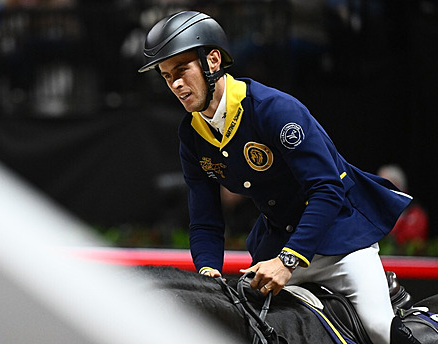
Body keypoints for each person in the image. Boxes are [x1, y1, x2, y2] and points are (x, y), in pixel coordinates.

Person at [137, 11, 418, 344]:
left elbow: (328, 191)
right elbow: (205, 219)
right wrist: (208, 272)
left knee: (380, 329)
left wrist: (288, 261)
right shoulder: (192, 134)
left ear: (212, 60)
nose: (176, 85)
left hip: (339, 244)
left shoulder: (274, 110)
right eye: (168, 77)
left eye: (182, 70)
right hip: (274, 250)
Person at [377, 164, 429, 254]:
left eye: (382, 184)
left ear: (395, 184)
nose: (378, 188)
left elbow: (411, 243)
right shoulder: (375, 208)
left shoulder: (415, 213)